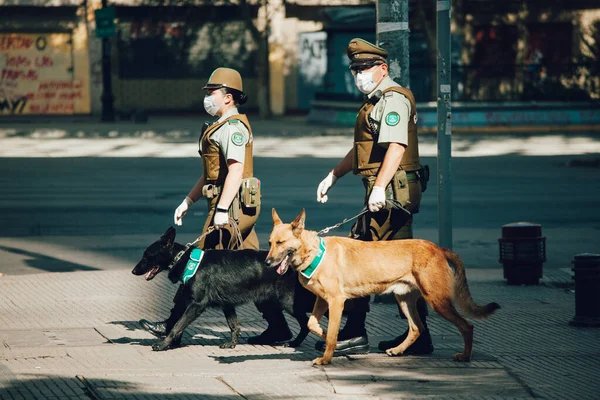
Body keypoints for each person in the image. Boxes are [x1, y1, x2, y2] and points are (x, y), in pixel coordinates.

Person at [139, 67, 292, 346]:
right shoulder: (220, 126)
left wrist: (220, 211)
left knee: (195, 266)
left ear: (229, 97)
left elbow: (235, 171)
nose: (208, 97)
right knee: (259, 270)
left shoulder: (233, 128)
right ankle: (279, 328)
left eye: (213, 92)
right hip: (232, 207)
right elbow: (212, 173)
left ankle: (171, 327)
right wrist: (189, 200)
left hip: (230, 210)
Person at [315, 38, 433, 355]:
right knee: (368, 260)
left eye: (365, 68)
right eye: (355, 69)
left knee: (399, 266)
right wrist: (334, 174)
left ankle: (402, 335)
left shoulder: (393, 100)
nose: (359, 75)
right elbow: (363, 150)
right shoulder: (375, 101)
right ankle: (364, 332)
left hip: (392, 194)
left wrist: (380, 187)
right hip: (381, 191)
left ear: (382, 69)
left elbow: (396, 147)